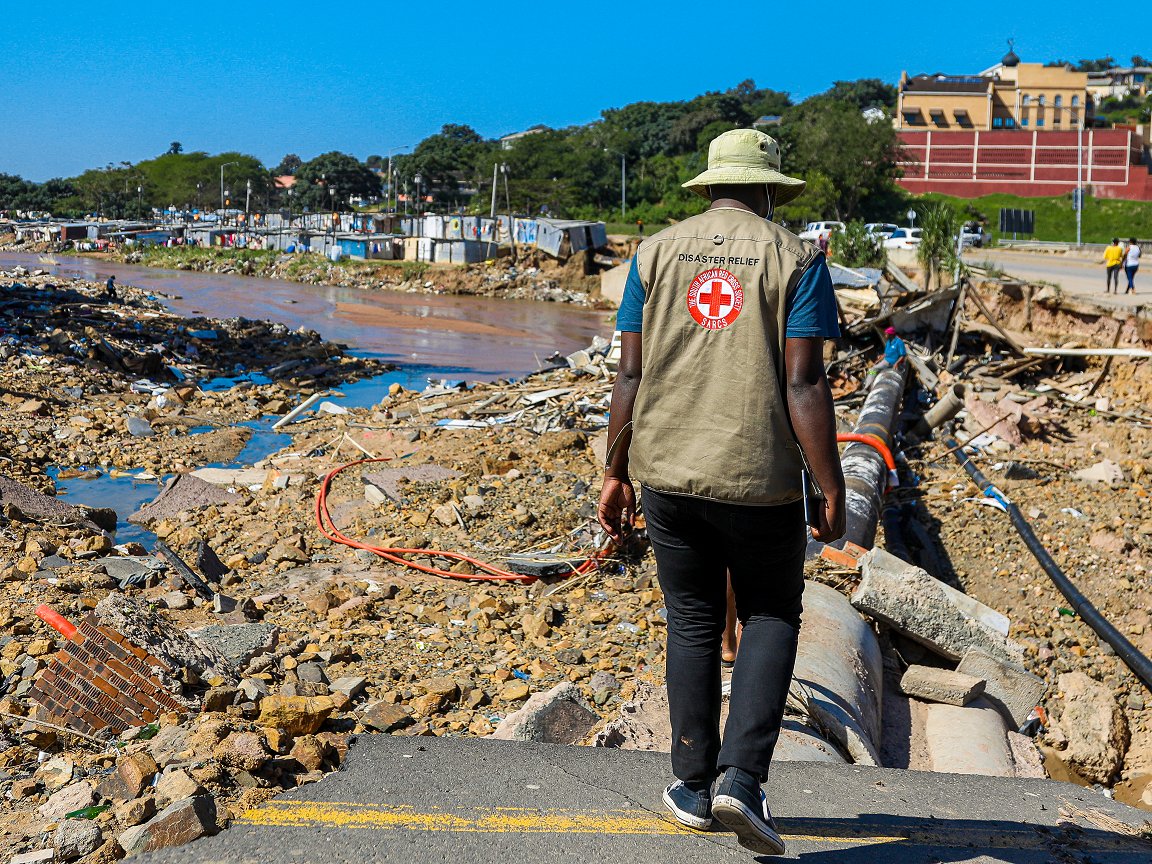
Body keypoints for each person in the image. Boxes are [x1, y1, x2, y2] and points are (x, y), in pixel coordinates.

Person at [598, 128, 845, 857]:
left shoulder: (653, 253)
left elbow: (629, 376)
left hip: (668, 471)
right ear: (771, 189)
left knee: (694, 619)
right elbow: (804, 382)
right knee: (770, 614)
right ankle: (742, 778)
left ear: (708, 186)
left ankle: (689, 783)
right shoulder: (797, 257)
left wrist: (613, 472)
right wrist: (831, 484)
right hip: (759, 479)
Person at [863, 326, 905, 391]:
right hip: (886, 360)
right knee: (873, 369)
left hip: (891, 362)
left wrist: (896, 363)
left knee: (873, 369)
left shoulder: (899, 342)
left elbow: (902, 355)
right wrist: (878, 360)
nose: (885, 335)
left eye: (886, 334)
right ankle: (869, 385)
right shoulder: (889, 342)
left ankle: (866, 388)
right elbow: (885, 353)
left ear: (891, 335)